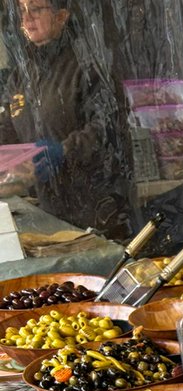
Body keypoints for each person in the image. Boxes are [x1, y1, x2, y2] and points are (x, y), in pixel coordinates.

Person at [0, 0, 130, 237]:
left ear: (61, 16)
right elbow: (8, 129)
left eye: (36, 9)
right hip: (48, 204)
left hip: (96, 206)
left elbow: (108, 126)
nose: (27, 19)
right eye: (22, 11)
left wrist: (62, 151)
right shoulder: (20, 76)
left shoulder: (88, 66)